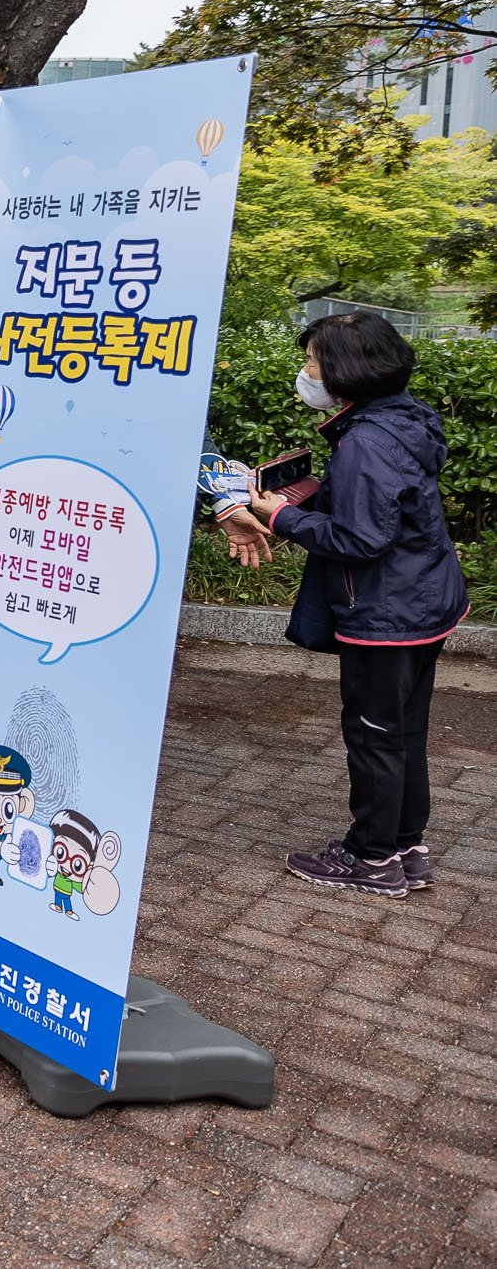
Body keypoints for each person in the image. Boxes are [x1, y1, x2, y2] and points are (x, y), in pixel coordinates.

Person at [227, 313, 467, 899]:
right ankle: (405, 846)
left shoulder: (366, 441)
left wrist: (280, 514)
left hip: (387, 614)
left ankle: (371, 858)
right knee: (403, 730)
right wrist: (313, 498)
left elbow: (359, 539)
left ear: (345, 371)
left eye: (312, 362)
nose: (306, 373)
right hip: (425, 600)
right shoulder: (404, 418)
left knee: (374, 734)